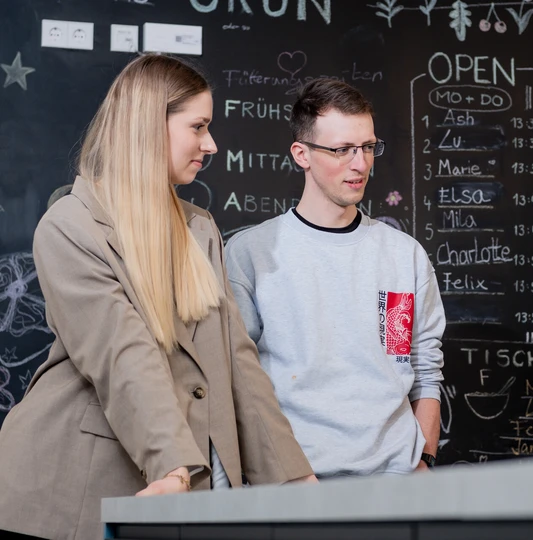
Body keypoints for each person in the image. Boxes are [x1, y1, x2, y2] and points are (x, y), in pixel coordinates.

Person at [0, 54, 314, 540]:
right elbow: (121, 352)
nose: (211, 144)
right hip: (76, 489)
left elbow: (237, 361)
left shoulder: (200, 228)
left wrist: (295, 480)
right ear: (148, 125)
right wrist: (172, 466)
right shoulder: (69, 226)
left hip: (186, 480)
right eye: (198, 126)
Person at [224, 78, 445, 477]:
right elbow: (238, 382)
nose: (360, 164)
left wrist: (423, 462)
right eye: (342, 150)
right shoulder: (251, 254)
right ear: (302, 154)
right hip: (297, 483)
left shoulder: (403, 256)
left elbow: (422, 369)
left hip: (396, 486)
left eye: (368, 147)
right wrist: (289, 478)